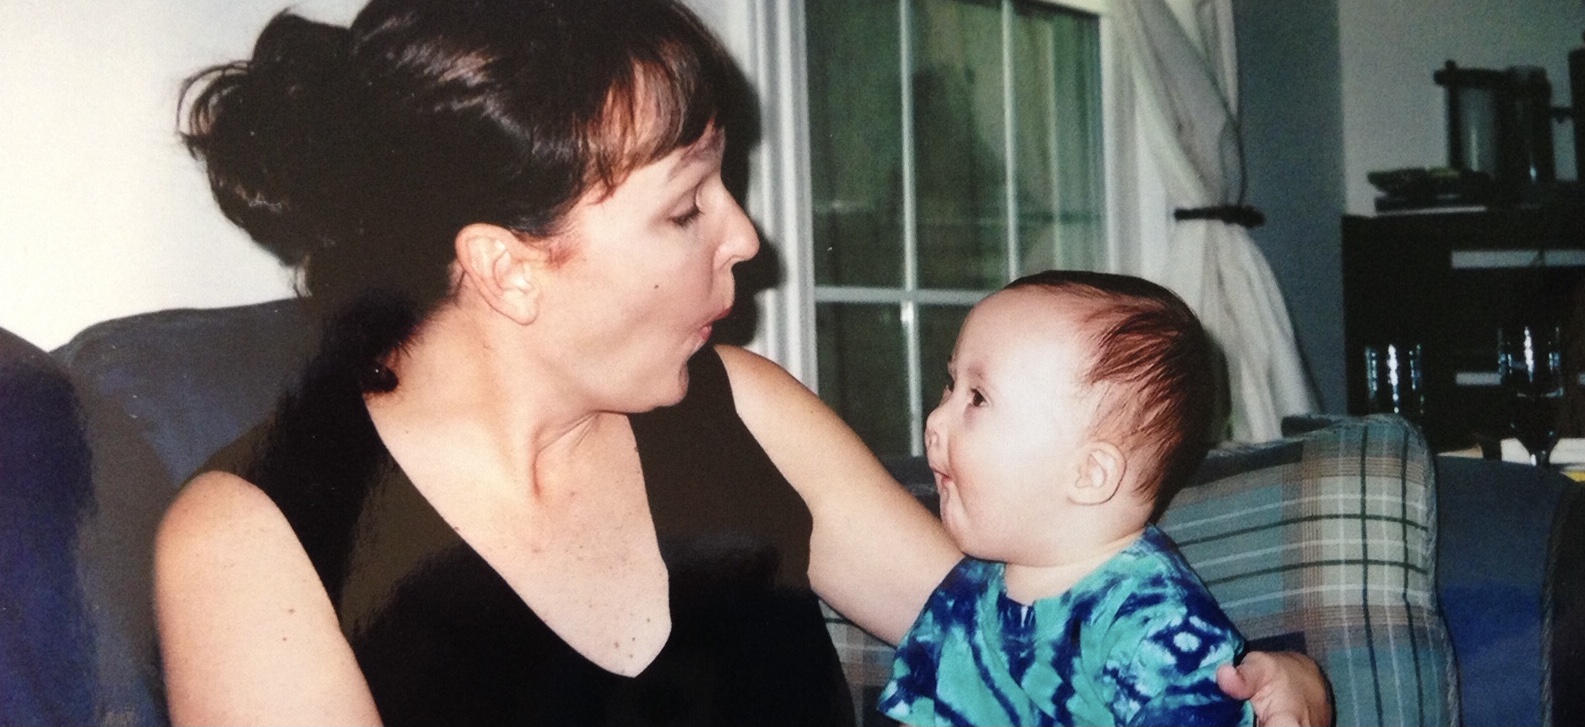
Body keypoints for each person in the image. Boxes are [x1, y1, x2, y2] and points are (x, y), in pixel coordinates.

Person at [152, 0, 1332, 725]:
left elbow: (1029, 635)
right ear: (510, 268)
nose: (746, 237)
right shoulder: (257, 541)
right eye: (684, 209)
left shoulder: (743, 411)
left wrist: (1275, 683)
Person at [879, 271, 1252, 726]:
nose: (935, 420)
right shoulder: (969, 587)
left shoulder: (1154, 627)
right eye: (950, 383)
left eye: (977, 397)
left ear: (1089, 473)